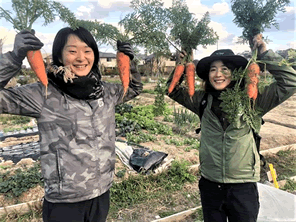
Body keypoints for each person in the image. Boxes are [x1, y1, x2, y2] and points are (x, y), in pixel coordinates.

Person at [0, 27, 143, 222]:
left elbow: (134, 88)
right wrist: (14, 58)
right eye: (72, 51)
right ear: (59, 55)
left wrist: (127, 60)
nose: (81, 58)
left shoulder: (105, 92)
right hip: (64, 203)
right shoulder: (43, 94)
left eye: (87, 51)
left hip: (101, 194)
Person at [166, 35, 296, 222]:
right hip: (211, 185)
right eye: (213, 70)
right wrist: (182, 64)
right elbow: (172, 90)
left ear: (235, 73)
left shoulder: (254, 100)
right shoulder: (201, 100)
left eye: (224, 69)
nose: (218, 74)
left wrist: (265, 54)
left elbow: (290, 82)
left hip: (242, 186)